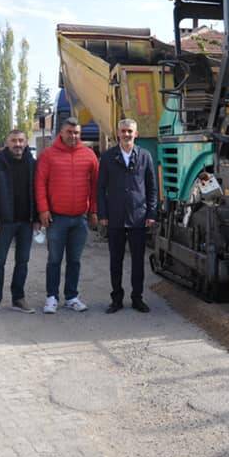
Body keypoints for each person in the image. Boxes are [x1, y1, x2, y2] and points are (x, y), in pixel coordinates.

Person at [35, 117, 99, 314]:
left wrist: (93, 211)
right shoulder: (48, 156)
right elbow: (39, 184)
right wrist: (43, 210)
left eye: (77, 132)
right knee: (54, 259)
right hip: (57, 218)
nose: (73, 136)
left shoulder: (89, 156)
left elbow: (95, 187)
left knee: (75, 260)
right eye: (70, 132)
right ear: (61, 132)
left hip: (80, 218)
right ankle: (51, 297)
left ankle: (71, 296)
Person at [97, 119, 157, 313]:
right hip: (114, 217)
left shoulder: (145, 156)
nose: (126, 134)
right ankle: (116, 299)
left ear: (136, 134)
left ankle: (137, 298)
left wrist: (151, 212)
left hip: (138, 217)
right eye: (123, 131)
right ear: (118, 133)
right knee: (116, 261)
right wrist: (103, 214)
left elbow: (152, 188)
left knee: (138, 261)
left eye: (130, 131)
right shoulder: (107, 157)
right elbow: (101, 188)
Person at [0, 129, 38, 315]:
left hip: (26, 221)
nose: (18, 144)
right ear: (7, 142)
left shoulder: (32, 162)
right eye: (14, 140)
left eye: (21, 140)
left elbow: (36, 191)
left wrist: (37, 218)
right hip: (4, 221)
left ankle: (18, 298)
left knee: (22, 261)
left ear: (25, 142)